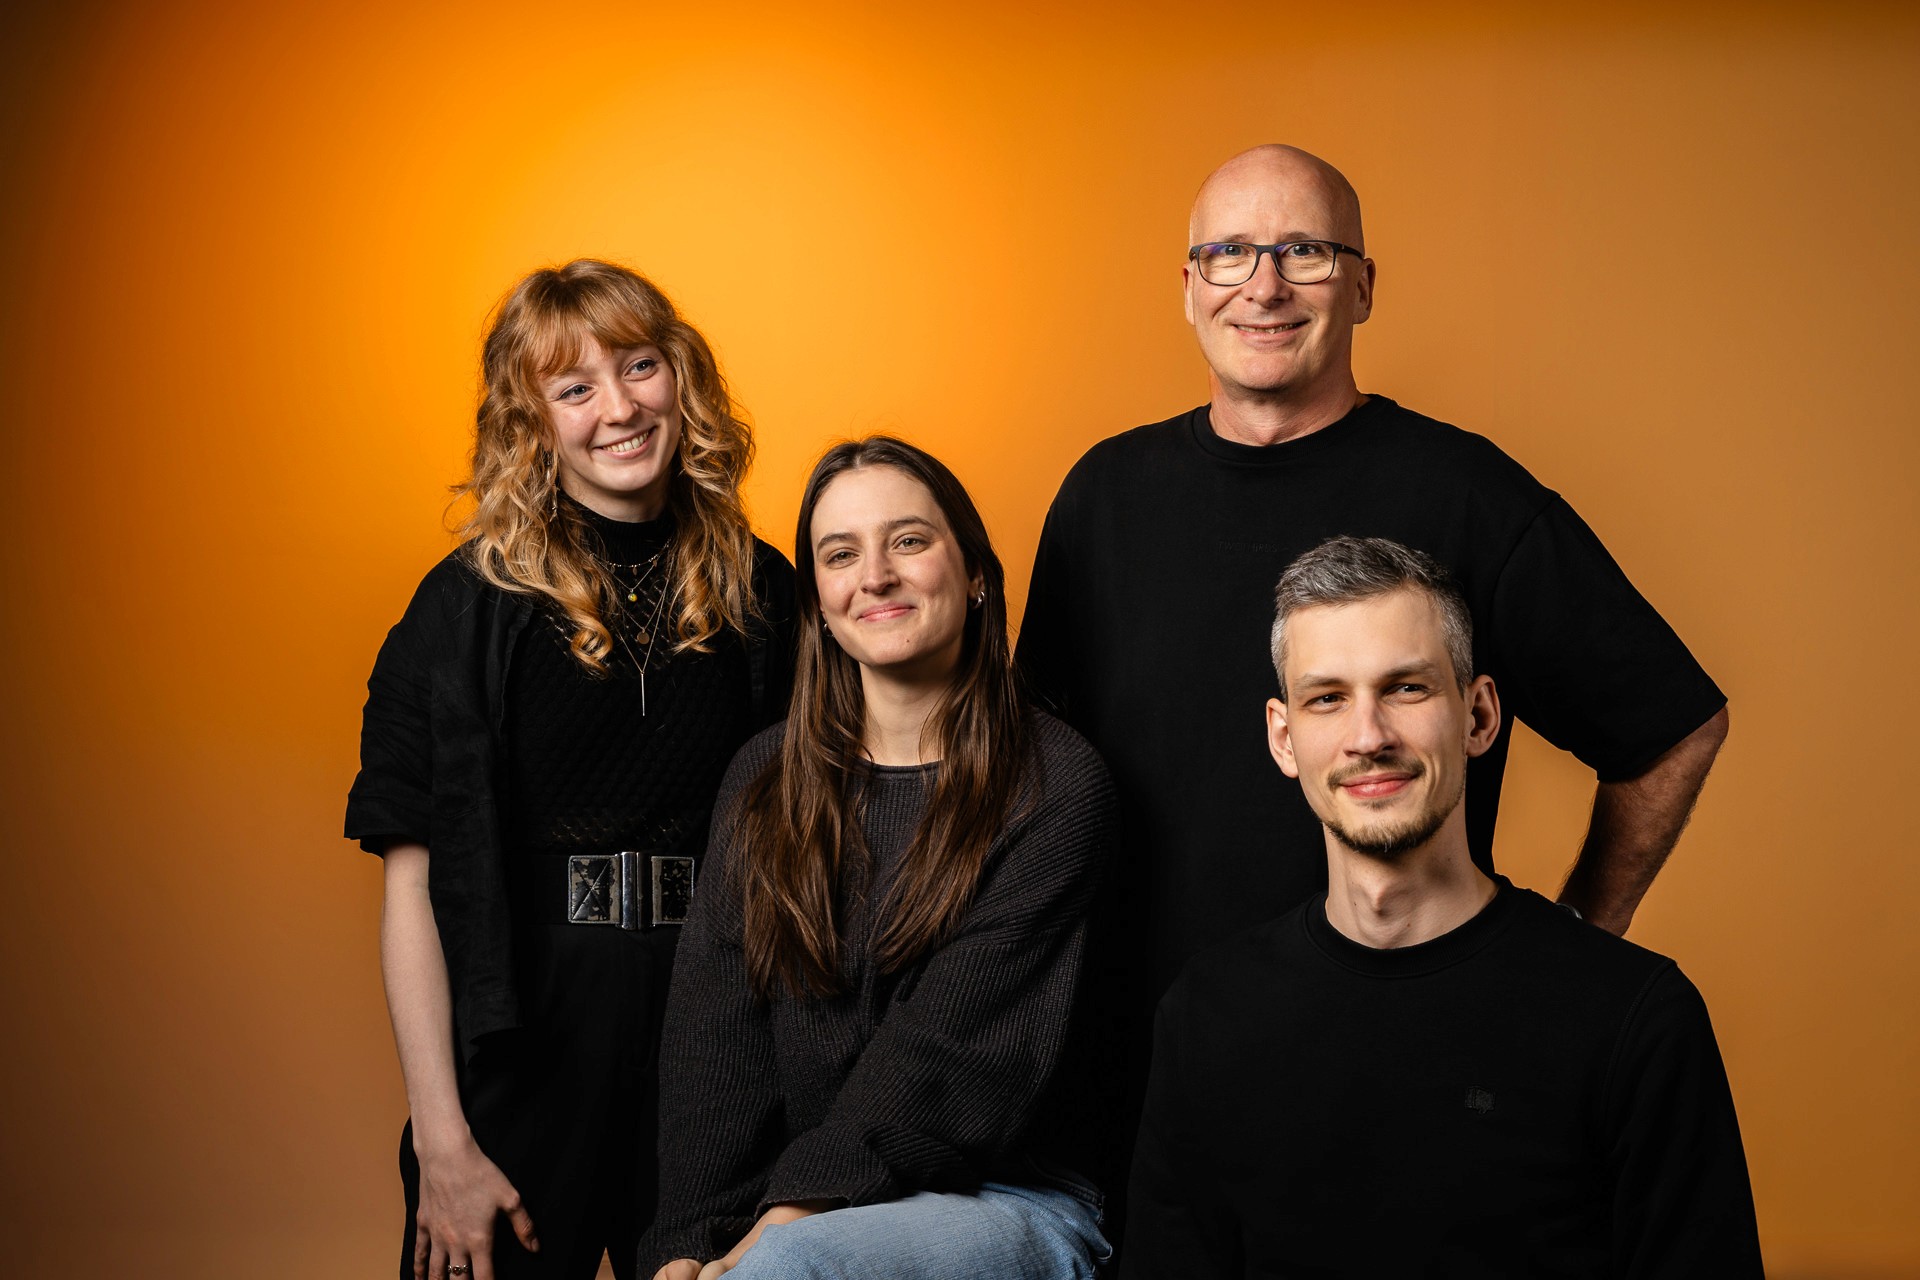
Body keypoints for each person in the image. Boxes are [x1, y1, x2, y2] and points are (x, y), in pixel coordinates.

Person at [1016, 144, 1730, 1185]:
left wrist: (1576, 934)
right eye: (1229, 253)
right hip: (1143, 1080)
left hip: (1408, 1063)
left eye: (1304, 249)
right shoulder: (1103, 498)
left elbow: (1670, 722)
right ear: (1188, 287)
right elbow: (1028, 779)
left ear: (1363, 284)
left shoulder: (1467, 494)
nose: (1264, 284)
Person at [1122, 536, 1762, 1277]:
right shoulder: (1207, 1016)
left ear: (1480, 716)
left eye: (1407, 689)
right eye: (1327, 698)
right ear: (1284, 736)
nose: (1369, 737)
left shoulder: (1636, 1018)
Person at [345, 259, 795, 1280]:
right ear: (530, 420)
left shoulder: (764, 588)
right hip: (525, 1040)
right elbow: (413, 886)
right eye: (575, 386)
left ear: (682, 377)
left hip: (714, 1027)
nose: (621, 407)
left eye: (640, 366)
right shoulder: (460, 609)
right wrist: (442, 1138)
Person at [639, 437, 1116, 1280]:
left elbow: (946, 1063)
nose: (876, 576)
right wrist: (689, 1238)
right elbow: (714, 1038)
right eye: (840, 554)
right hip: (798, 1211)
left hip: (1007, 1194)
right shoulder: (764, 776)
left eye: (908, 541)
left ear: (974, 574)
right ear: (819, 604)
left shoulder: (1056, 781)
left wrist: (779, 1230)